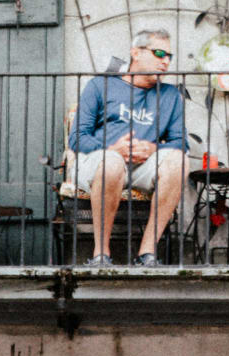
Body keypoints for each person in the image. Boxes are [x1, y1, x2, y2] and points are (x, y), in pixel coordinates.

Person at [70, 27, 186, 266]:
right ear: (136, 53)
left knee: (179, 160)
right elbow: (77, 137)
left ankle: (147, 253)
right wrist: (112, 148)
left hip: (141, 167)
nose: (165, 61)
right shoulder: (101, 86)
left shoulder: (170, 95)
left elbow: (180, 141)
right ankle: (100, 254)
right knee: (112, 162)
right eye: (158, 53)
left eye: (169, 56)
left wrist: (153, 149)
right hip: (97, 163)